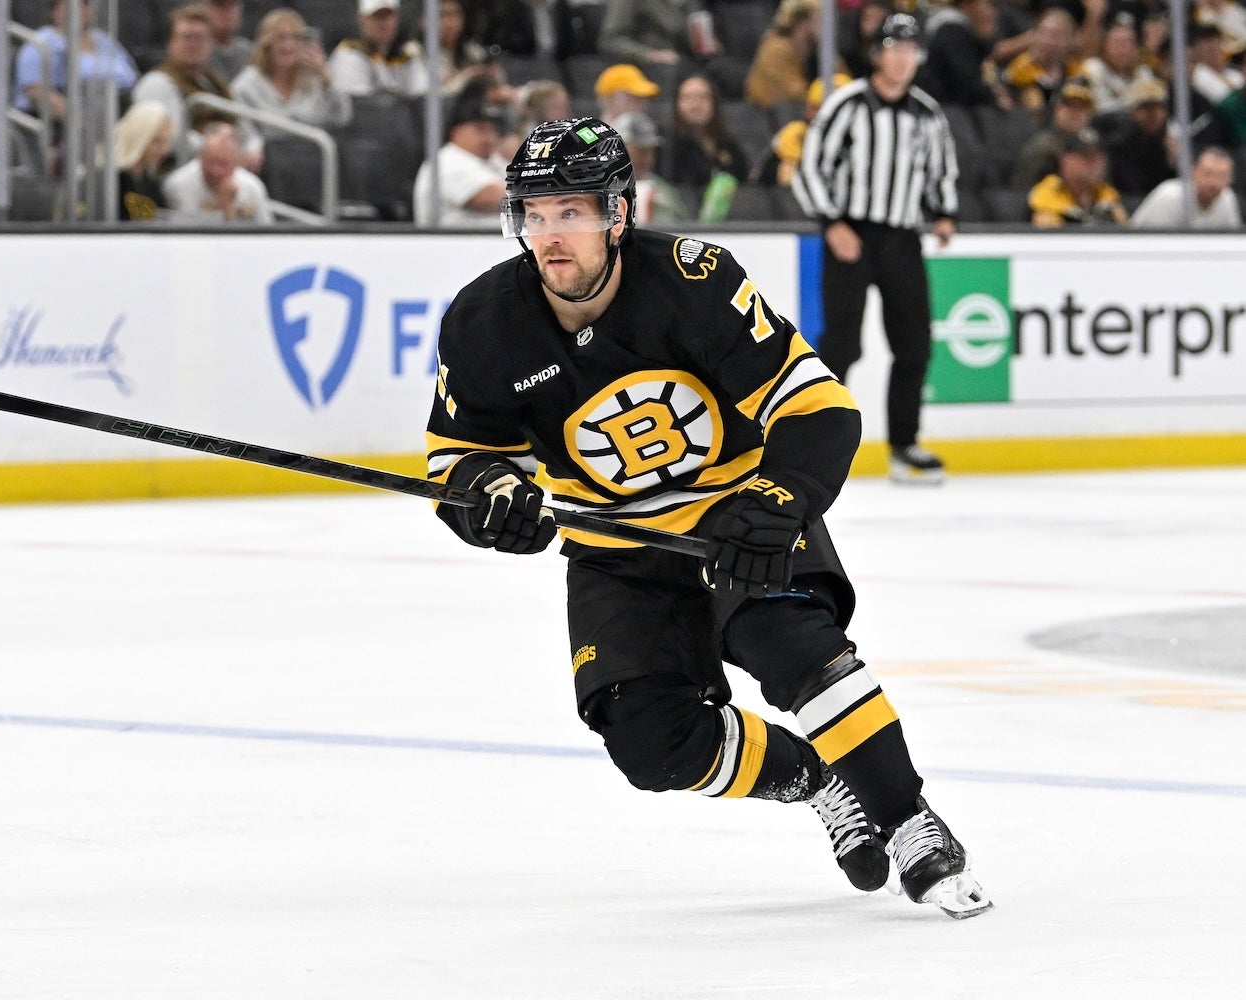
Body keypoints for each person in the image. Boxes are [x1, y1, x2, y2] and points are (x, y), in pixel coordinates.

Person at [424, 114, 992, 920]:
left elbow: (818, 407)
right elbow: (459, 460)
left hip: (735, 516)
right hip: (613, 551)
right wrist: (493, 503)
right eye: (536, 213)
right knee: (650, 742)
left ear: (619, 213)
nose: (551, 235)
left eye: (573, 212)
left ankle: (909, 820)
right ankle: (821, 780)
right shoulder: (483, 321)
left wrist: (781, 497)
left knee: (791, 645)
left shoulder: (693, 280)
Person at [793, 13, 958, 485]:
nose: (903, 60)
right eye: (895, 49)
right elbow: (810, 169)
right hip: (851, 234)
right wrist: (832, 224)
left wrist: (944, 212)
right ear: (878, 54)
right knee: (841, 343)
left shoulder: (928, 113)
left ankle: (904, 445)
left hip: (902, 236)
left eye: (911, 51)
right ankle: (820, 444)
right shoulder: (845, 104)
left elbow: (941, 171)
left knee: (914, 344)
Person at [131, 3, 264, 172]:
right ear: (170, 42)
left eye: (201, 38)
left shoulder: (215, 82)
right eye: (187, 37)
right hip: (182, 169)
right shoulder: (158, 83)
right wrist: (223, 152)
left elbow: (242, 122)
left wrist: (253, 148)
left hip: (225, 164)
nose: (194, 45)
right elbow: (173, 140)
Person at [230, 8, 351, 137]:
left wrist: (325, 75)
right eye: (280, 38)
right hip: (267, 154)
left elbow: (342, 118)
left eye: (296, 38)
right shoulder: (247, 85)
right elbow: (245, 135)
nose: (288, 46)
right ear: (266, 44)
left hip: (311, 153)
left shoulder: (314, 80)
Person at [13, 0, 139, 121]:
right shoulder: (43, 42)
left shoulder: (104, 41)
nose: (82, 8)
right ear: (55, 9)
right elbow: (37, 92)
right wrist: (80, 122)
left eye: (86, 3)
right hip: (71, 127)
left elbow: (132, 77)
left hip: (121, 108)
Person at [412, 82, 507, 227]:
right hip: (450, 246)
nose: (489, 138)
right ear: (455, 132)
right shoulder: (446, 161)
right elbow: (491, 197)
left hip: (490, 245)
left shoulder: (491, 160)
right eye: (480, 130)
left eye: (492, 130)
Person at [162, 121, 272, 223]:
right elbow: (185, 234)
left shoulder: (252, 187)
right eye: (211, 161)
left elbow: (266, 233)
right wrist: (223, 209)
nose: (215, 171)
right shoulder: (179, 185)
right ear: (200, 157)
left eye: (223, 164)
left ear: (237, 163)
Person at [662, 74, 750, 189]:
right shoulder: (668, 148)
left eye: (703, 97)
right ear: (677, 105)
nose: (696, 105)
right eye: (688, 98)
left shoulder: (726, 142)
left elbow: (744, 180)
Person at [1008, 76, 1095, 191]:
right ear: (1056, 109)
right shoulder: (1040, 149)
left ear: (1089, 115)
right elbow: (1020, 193)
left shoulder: (1092, 150)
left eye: (1082, 106)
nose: (1075, 112)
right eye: (1068, 104)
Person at [1028, 126, 1128, 226]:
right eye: (1085, 155)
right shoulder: (1042, 202)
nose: (1094, 161)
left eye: (1099, 154)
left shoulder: (1110, 201)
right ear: (1063, 160)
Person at [328, 0, 428, 98]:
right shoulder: (348, 56)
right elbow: (363, 107)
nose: (383, 23)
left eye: (388, 15)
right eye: (376, 16)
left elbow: (423, 99)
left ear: (397, 18)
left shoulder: (407, 58)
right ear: (361, 20)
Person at [1130, 146, 1241, 228]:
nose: (1213, 182)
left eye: (1221, 177)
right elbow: (1153, 243)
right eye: (1207, 174)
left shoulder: (1227, 198)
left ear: (1230, 180)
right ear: (1193, 172)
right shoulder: (1169, 196)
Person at [612, 109, 687, 225]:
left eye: (651, 151)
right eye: (640, 151)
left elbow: (685, 228)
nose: (648, 159)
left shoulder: (663, 191)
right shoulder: (599, 189)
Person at [1103, 77, 1173, 199]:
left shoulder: (1170, 144)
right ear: (1132, 111)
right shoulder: (1119, 146)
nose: (1153, 114)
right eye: (1146, 107)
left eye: (1158, 107)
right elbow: (1129, 186)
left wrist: (1175, 163)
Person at [745, 0, 823, 109]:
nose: (826, 27)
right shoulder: (776, 50)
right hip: (773, 118)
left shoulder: (813, 48)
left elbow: (842, 82)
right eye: (820, 19)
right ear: (801, 22)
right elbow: (798, 97)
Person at [597, 0, 720, 67]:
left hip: (689, 61)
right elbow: (610, 40)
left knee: (721, 68)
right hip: (647, 66)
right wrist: (650, 55)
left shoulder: (690, 3)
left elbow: (693, 35)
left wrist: (707, 43)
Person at [1079, 12, 1155, 115]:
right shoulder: (1092, 69)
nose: (1124, 49)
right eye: (1118, 42)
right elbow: (1098, 108)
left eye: (1129, 42)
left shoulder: (1144, 73)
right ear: (1104, 46)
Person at [113, 99, 175, 221]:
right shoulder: (111, 182)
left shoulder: (150, 185)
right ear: (139, 138)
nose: (164, 151)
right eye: (157, 142)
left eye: (167, 142)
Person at [594, 63, 659, 123]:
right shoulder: (589, 133)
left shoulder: (645, 130)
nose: (641, 104)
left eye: (643, 98)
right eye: (633, 97)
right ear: (609, 99)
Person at [205, 0, 253, 82]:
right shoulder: (197, 50)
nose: (227, 12)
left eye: (232, 5)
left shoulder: (249, 51)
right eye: (220, 6)